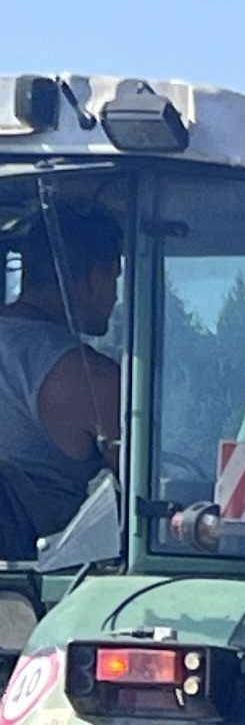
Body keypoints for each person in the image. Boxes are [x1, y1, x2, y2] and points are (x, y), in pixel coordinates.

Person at [0, 197, 123, 549]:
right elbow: (144, 497)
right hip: (42, 586)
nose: (115, 298)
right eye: (114, 278)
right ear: (95, 277)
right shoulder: (90, 377)